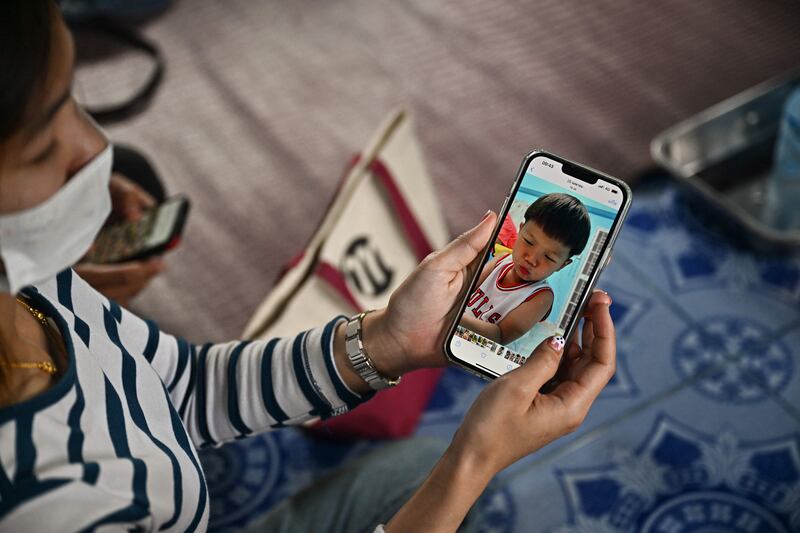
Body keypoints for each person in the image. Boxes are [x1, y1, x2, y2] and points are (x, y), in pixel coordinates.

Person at [0, 2, 616, 531]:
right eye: (44, 145)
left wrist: (388, 341)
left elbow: (180, 386)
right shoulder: (49, 508)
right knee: (442, 480)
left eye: (77, 104)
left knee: (412, 469)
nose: (100, 152)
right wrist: (473, 462)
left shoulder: (33, 281)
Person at [461, 193, 591, 345]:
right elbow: (465, 290)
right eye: (528, 241)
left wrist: (453, 316)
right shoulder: (501, 259)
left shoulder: (541, 298)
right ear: (520, 230)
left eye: (549, 258)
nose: (531, 259)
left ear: (562, 265)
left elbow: (499, 336)